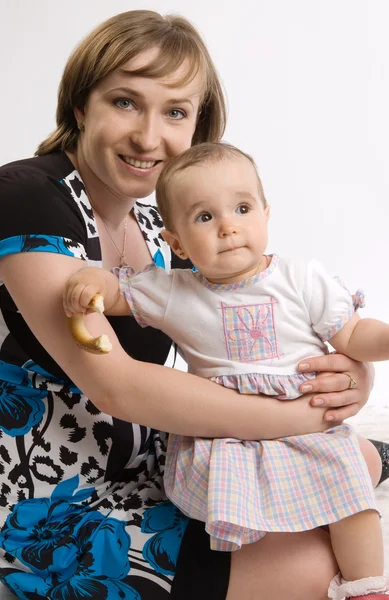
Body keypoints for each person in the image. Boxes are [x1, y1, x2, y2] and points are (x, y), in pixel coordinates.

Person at [0, 9, 385, 600]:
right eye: (125, 102)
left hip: (149, 456)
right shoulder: (27, 197)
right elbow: (117, 387)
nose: (149, 137)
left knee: (353, 459)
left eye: (175, 112)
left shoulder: (167, 228)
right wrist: (308, 416)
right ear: (81, 106)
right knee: (314, 564)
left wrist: (352, 374)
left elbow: (241, 331)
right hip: (47, 496)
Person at [64, 141, 389, 600]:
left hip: (308, 426)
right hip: (227, 435)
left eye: (241, 208)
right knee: (247, 510)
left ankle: (367, 587)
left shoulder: (300, 277)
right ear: (175, 241)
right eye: (204, 217)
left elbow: (355, 335)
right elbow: (118, 293)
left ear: (266, 214)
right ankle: (280, 543)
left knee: (352, 497)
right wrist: (91, 279)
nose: (228, 227)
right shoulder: (176, 291)